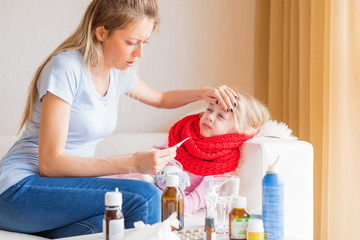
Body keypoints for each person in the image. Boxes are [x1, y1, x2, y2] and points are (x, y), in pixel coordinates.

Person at [0, 0, 238, 239]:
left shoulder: (118, 73)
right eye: (132, 42)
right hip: (19, 189)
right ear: (101, 32)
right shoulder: (66, 68)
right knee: (146, 196)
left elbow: (162, 99)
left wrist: (204, 92)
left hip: (59, 193)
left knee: (116, 220)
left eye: (145, 43)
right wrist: (133, 162)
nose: (140, 53)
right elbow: (50, 164)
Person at [105, 91, 271, 215]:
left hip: (142, 194)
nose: (209, 117)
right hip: (125, 173)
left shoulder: (221, 166)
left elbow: (189, 204)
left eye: (221, 116)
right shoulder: (182, 135)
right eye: (209, 109)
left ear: (239, 131)